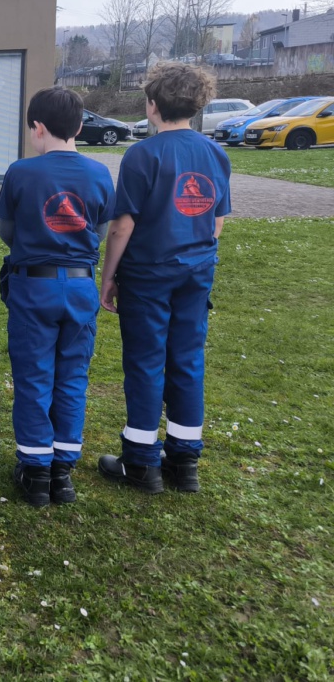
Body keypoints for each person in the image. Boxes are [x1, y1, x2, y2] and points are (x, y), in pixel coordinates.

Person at [98, 63, 231, 494]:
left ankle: (140, 462)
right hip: (196, 273)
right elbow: (217, 221)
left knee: (145, 361)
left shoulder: (142, 155)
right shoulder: (215, 153)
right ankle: (184, 462)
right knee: (188, 360)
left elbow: (122, 226)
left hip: (148, 274)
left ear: (152, 106)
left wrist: (108, 276)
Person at [0, 89, 115, 507]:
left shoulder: (20, 172)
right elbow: (100, 231)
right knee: (72, 376)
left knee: (34, 377)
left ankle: (35, 472)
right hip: (80, 286)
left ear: (38, 127)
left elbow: (7, 232)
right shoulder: (99, 173)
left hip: (34, 286)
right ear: (80, 127)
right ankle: (62, 472)